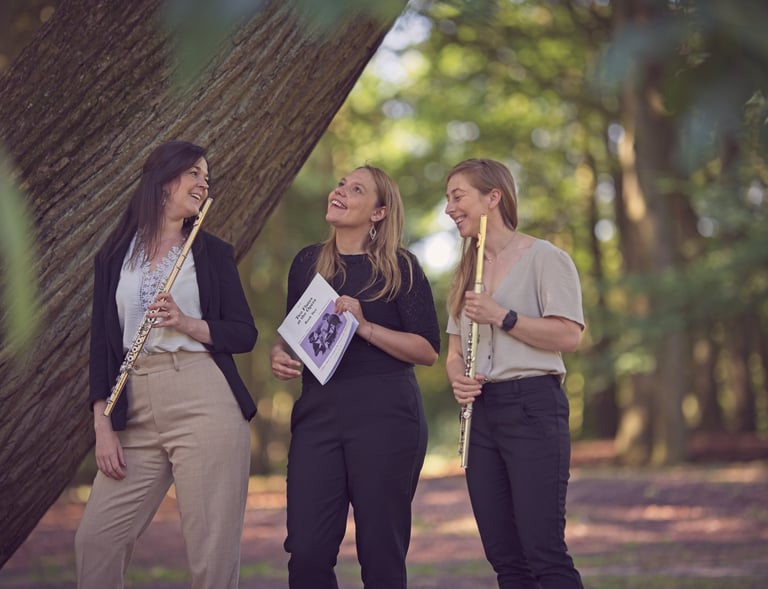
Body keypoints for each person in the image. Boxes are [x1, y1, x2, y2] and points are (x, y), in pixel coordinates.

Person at [75, 141, 258, 589]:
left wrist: (188, 323)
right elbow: (102, 347)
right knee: (96, 540)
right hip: (133, 403)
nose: (203, 184)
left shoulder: (212, 252)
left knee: (211, 554)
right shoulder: (115, 254)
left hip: (203, 397)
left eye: (206, 178)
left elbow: (243, 333)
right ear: (162, 180)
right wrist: (102, 425)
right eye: (194, 174)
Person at [270, 165, 440, 589]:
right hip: (318, 414)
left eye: (356, 189)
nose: (339, 191)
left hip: (387, 416)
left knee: (381, 553)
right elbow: (293, 337)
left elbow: (428, 350)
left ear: (379, 212)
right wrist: (280, 355)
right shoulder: (307, 263)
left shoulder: (402, 267)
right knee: (306, 552)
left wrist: (365, 327)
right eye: (341, 184)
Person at [444, 158, 585, 589]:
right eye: (447, 200)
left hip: (533, 407)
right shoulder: (466, 270)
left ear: (493, 197)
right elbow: (453, 351)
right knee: (505, 559)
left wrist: (502, 316)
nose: (449, 208)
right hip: (482, 414)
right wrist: (457, 379)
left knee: (544, 552)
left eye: (457, 196)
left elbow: (568, 336)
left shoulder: (546, 257)